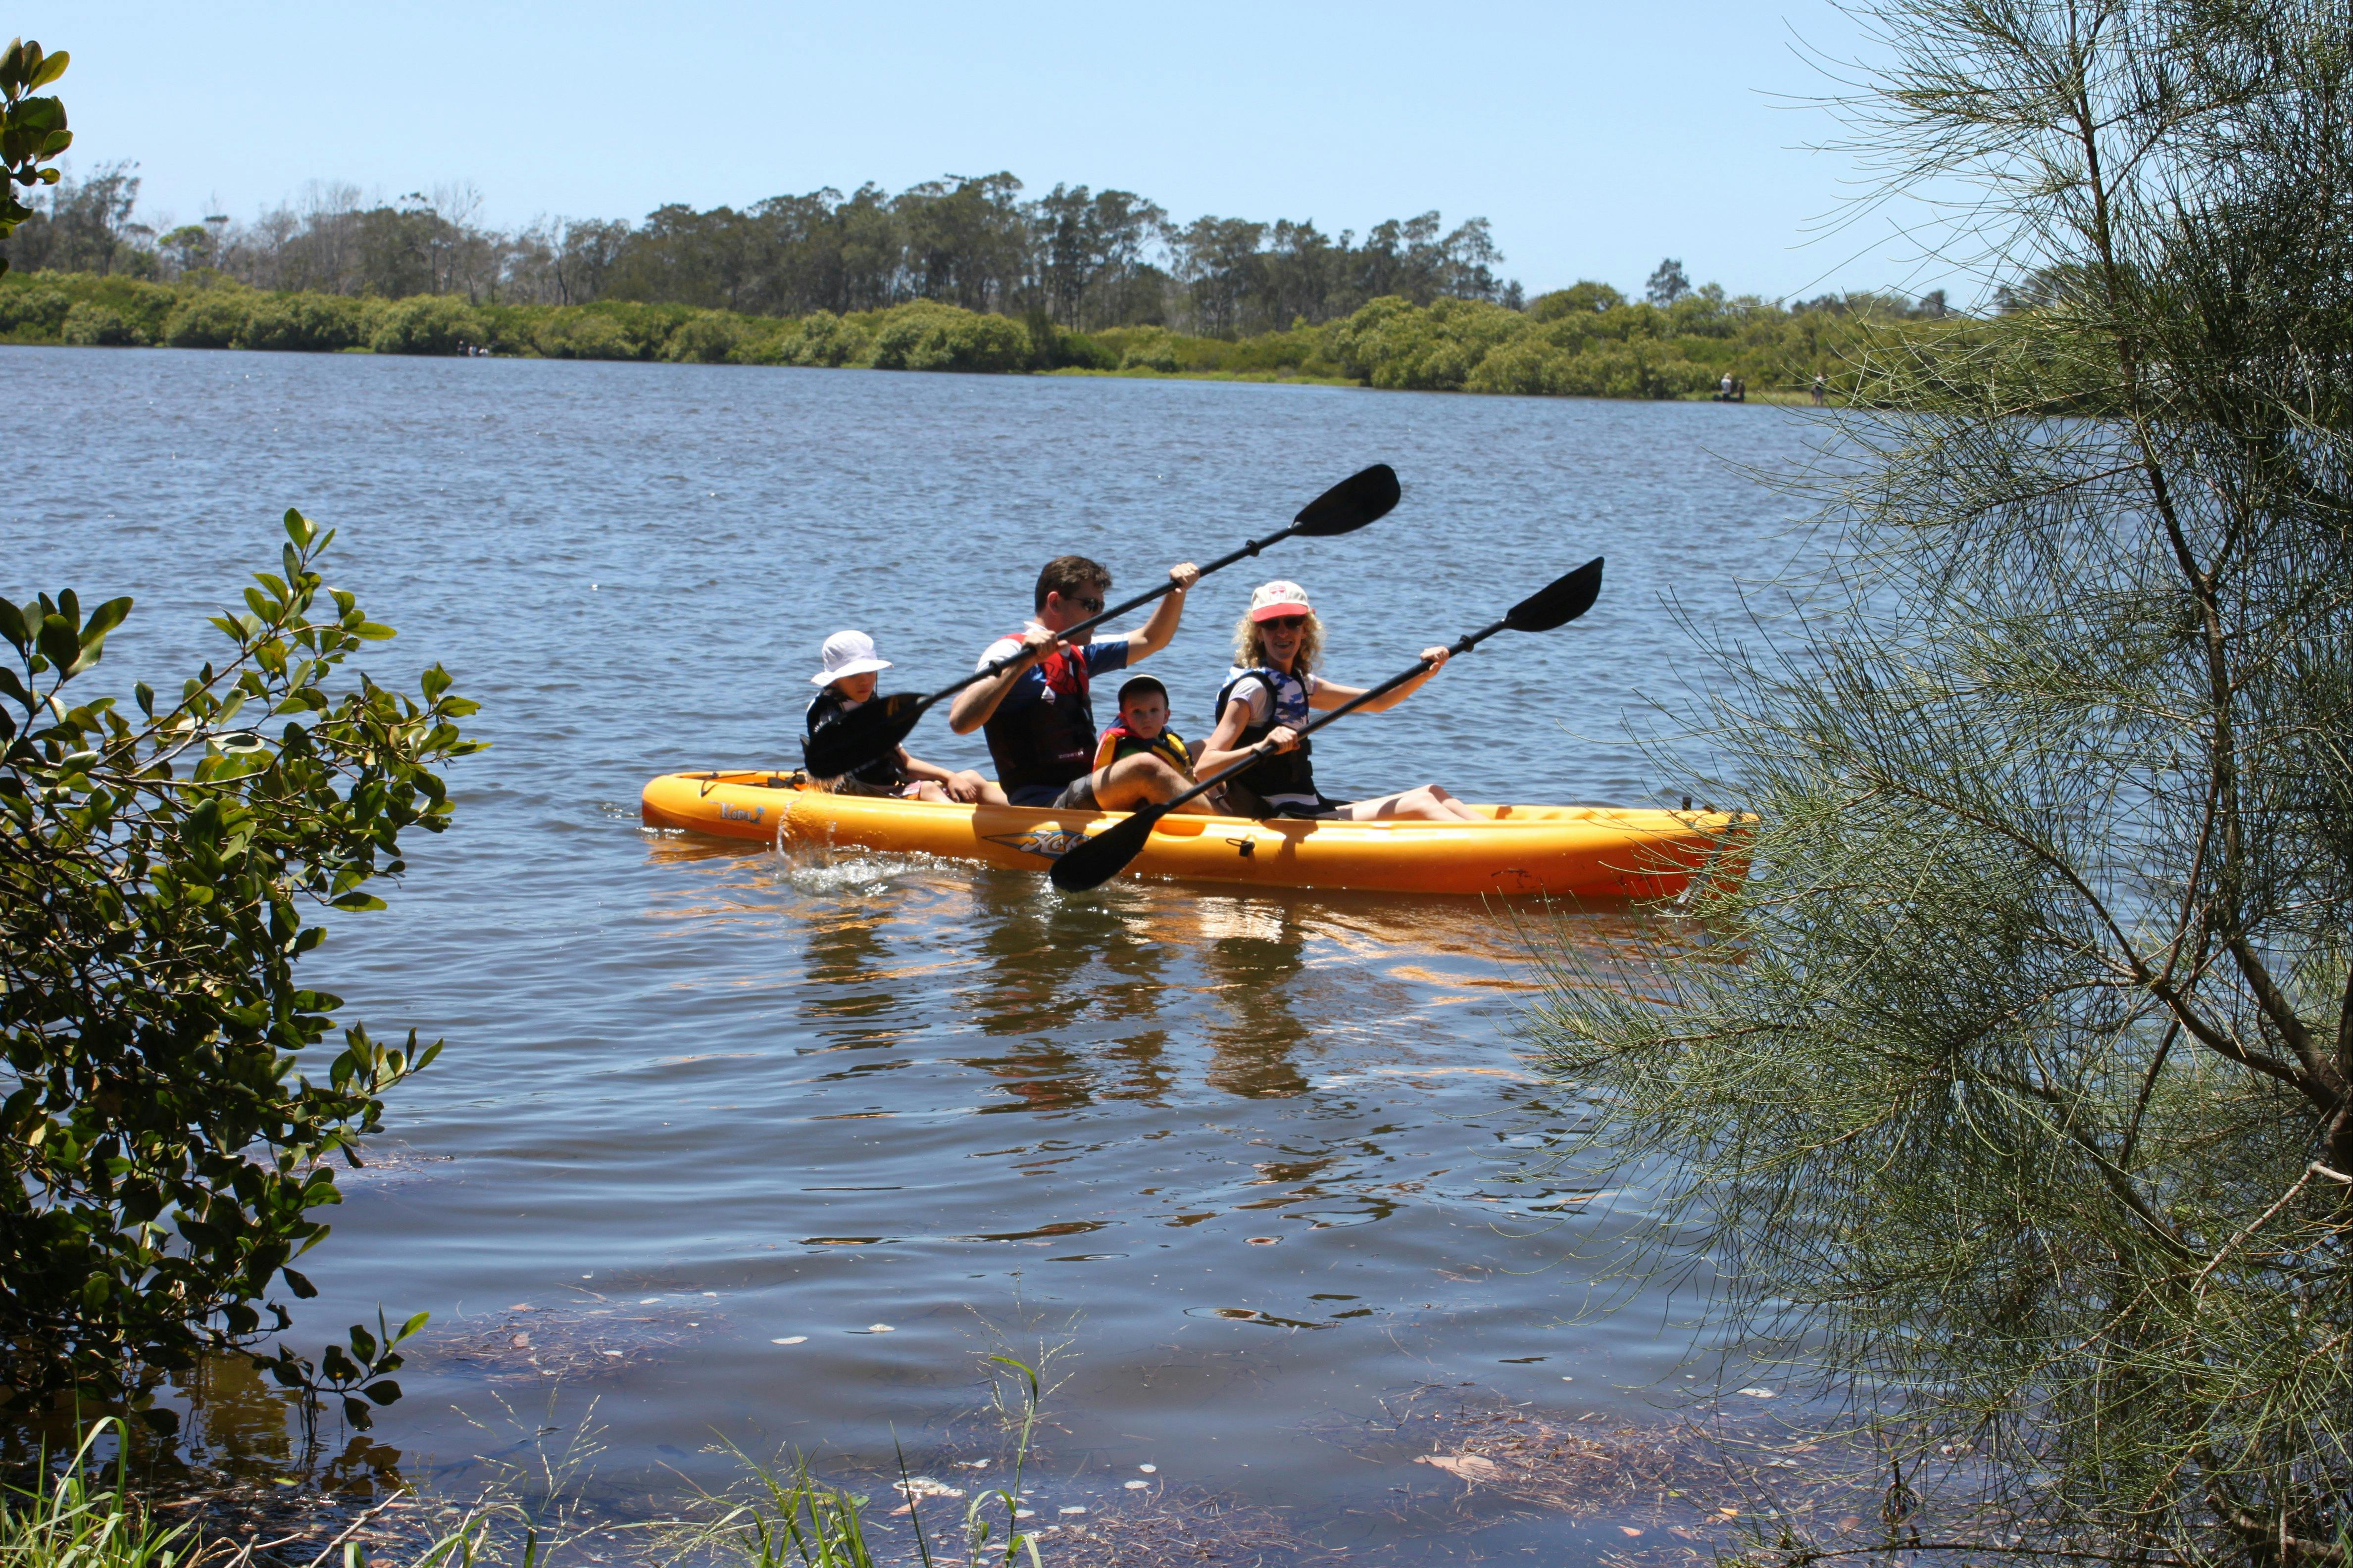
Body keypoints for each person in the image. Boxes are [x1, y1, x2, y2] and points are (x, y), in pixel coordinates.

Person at [1194, 580, 1482, 822]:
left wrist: (1426, 673)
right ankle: (1496, 854)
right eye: (1271, 624)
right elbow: (1204, 767)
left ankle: (1508, 844)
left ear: (1305, 628)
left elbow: (1377, 702)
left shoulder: (1300, 683)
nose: (1282, 631)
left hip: (1309, 805)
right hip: (1278, 815)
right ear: (1258, 632)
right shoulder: (1251, 690)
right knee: (1420, 804)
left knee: (1434, 792)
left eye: (1292, 622)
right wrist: (1262, 747)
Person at [947, 553, 1201, 810]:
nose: (1098, 616)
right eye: (1090, 605)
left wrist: (1177, 592)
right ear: (1055, 602)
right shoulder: (1009, 651)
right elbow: (961, 721)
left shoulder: (1080, 652)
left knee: (1202, 748)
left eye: (1101, 607)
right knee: (1144, 766)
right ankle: (1231, 831)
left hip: (1083, 787)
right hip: (1044, 802)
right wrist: (1021, 664)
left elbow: (1151, 639)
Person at [805, 630, 1002, 804]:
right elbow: (836, 776)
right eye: (853, 675)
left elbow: (906, 764)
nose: (865, 682)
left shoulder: (867, 706)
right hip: (861, 798)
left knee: (971, 778)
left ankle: (1029, 822)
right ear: (835, 680)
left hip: (883, 790)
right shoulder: (829, 716)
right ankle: (970, 835)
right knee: (928, 789)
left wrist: (950, 776)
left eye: (870, 672)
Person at [1093, 673, 1220, 815]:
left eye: (1154, 711)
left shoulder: (1165, 740)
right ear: (1124, 719)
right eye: (1137, 712)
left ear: (1166, 716)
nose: (1147, 718)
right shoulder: (1130, 753)